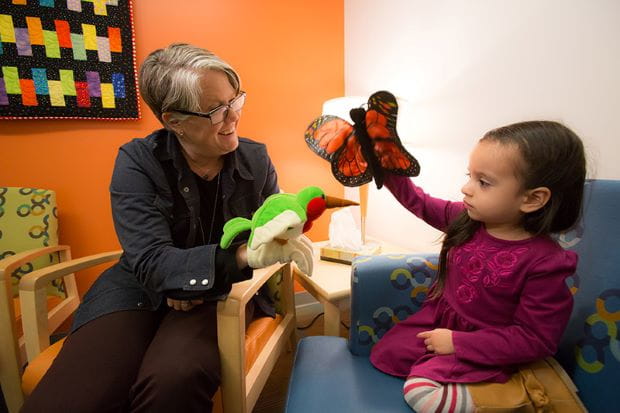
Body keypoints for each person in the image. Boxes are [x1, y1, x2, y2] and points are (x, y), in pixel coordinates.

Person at [22, 43, 284, 413]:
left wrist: (189, 275)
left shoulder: (256, 160)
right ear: (173, 120)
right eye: (216, 110)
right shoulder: (136, 161)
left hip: (219, 297)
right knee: (69, 398)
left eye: (235, 100)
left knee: (172, 381)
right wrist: (218, 262)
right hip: (136, 288)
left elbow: (275, 233)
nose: (234, 117)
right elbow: (150, 262)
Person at [369, 121, 586, 412]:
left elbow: (535, 338)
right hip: (442, 323)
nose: (466, 188)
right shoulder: (467, 220)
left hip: (489, 342)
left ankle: (509, 396)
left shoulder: (546, 263)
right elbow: (418, 202)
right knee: (388, 352)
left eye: (483, 182)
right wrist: (387, 167)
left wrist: (459, 343)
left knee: (420, 392)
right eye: (469, 176)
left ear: (532, 199)